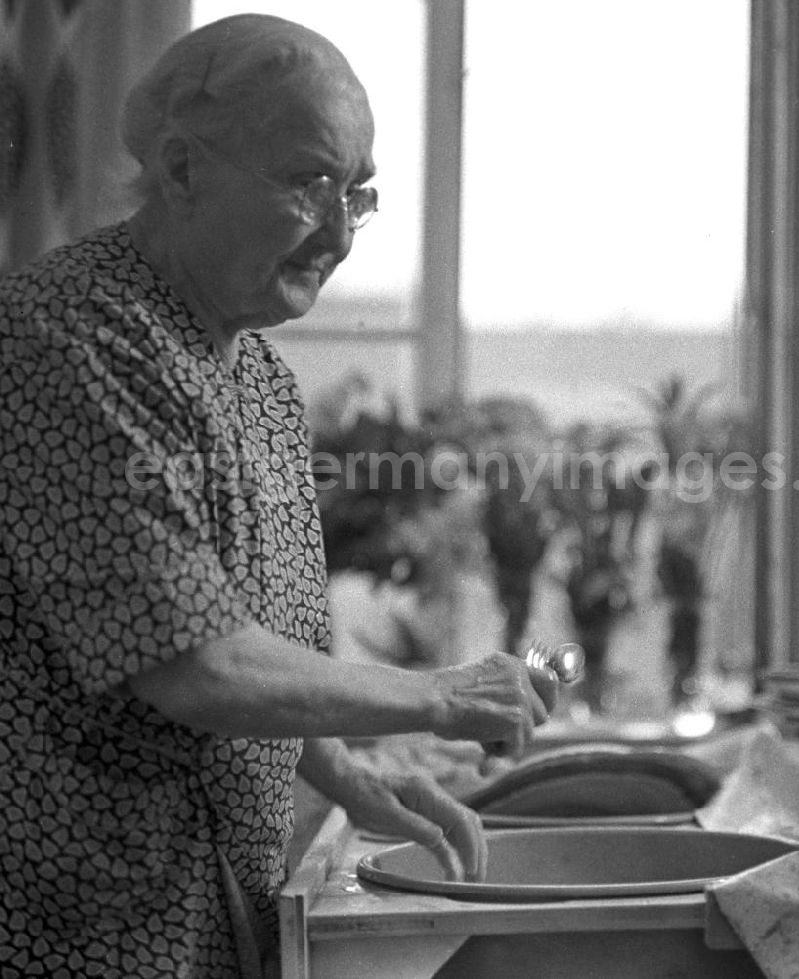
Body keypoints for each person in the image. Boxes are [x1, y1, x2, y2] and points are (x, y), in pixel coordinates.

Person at [0, 14, 557, 979]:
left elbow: (268, 650)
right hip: (77, 928)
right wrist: (439, 693)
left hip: (213, 904)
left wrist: (344, 766)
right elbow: (195, 665)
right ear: (180, 171)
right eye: (311, 182)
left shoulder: (260, 376)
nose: (342, 231)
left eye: (359, 193)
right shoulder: (68, 338)